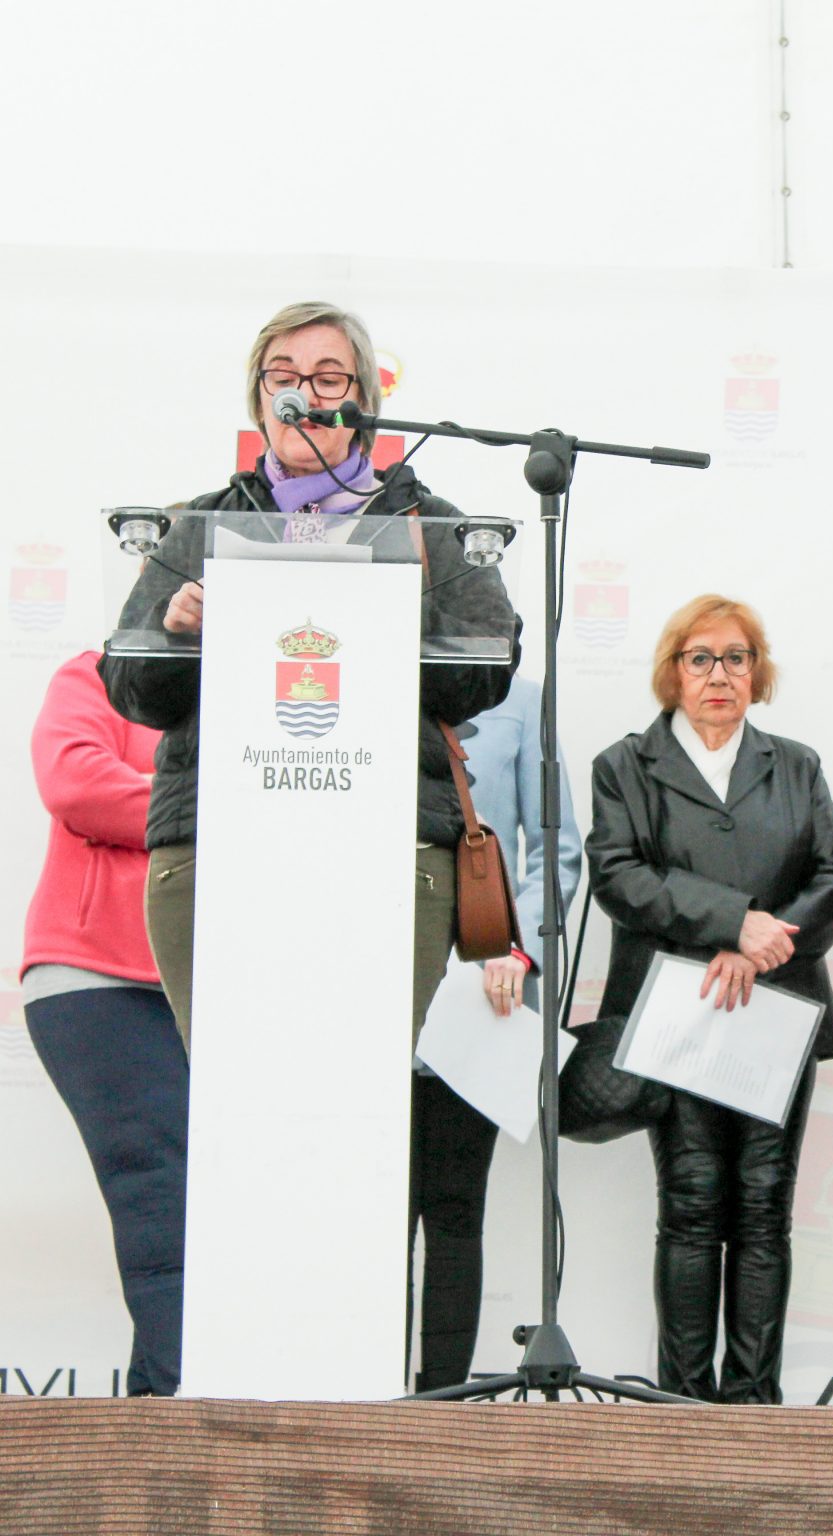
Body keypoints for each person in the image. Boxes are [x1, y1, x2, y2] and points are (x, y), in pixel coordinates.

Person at [97, 300, 520, 1391]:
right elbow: (132, 682)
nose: (305, 390)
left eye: (329, 374)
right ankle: (239, 1373)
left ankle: (345, 1371)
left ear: (369, 399)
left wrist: (392, 604)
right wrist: (185, 622)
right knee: (239, 1111)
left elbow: (485, 666)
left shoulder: (427, 522)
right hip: (220, 852)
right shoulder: (198, 525)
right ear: (257, 398)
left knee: (355, 1116)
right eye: (283, 371)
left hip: (389, 857)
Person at [588, 596, 833, 1403]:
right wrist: (731, 924)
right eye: (700, 658)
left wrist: (766, 943)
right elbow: (619, 876)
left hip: (776, 1009)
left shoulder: (796, 764)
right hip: (680, 1009)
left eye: (736, 658)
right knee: (694, 1203)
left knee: (764, 1206)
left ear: (757, 672)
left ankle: (751, 1403)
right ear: (672, 672)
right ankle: (683, 1403)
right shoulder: (625, 765)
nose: (719, 675)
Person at [403, 674, 584, 1392]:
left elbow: (556, 845)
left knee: (453, 1207)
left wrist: (518, 948)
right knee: (370, 1204)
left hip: (480, 983)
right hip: (368, 979)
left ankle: (440, 1403)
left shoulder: (519, 696)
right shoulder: (357, 666)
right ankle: (363, 1395)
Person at [21, 653, 186, 1396]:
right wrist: (203, 805)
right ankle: (195, 1405)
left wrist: (162, 797)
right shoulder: (94, 674)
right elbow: (77, 785)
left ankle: (154, 1420)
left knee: (206, 1207)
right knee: (161, 1194)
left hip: (217, 988)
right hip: (96, 979)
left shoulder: (256, 689)